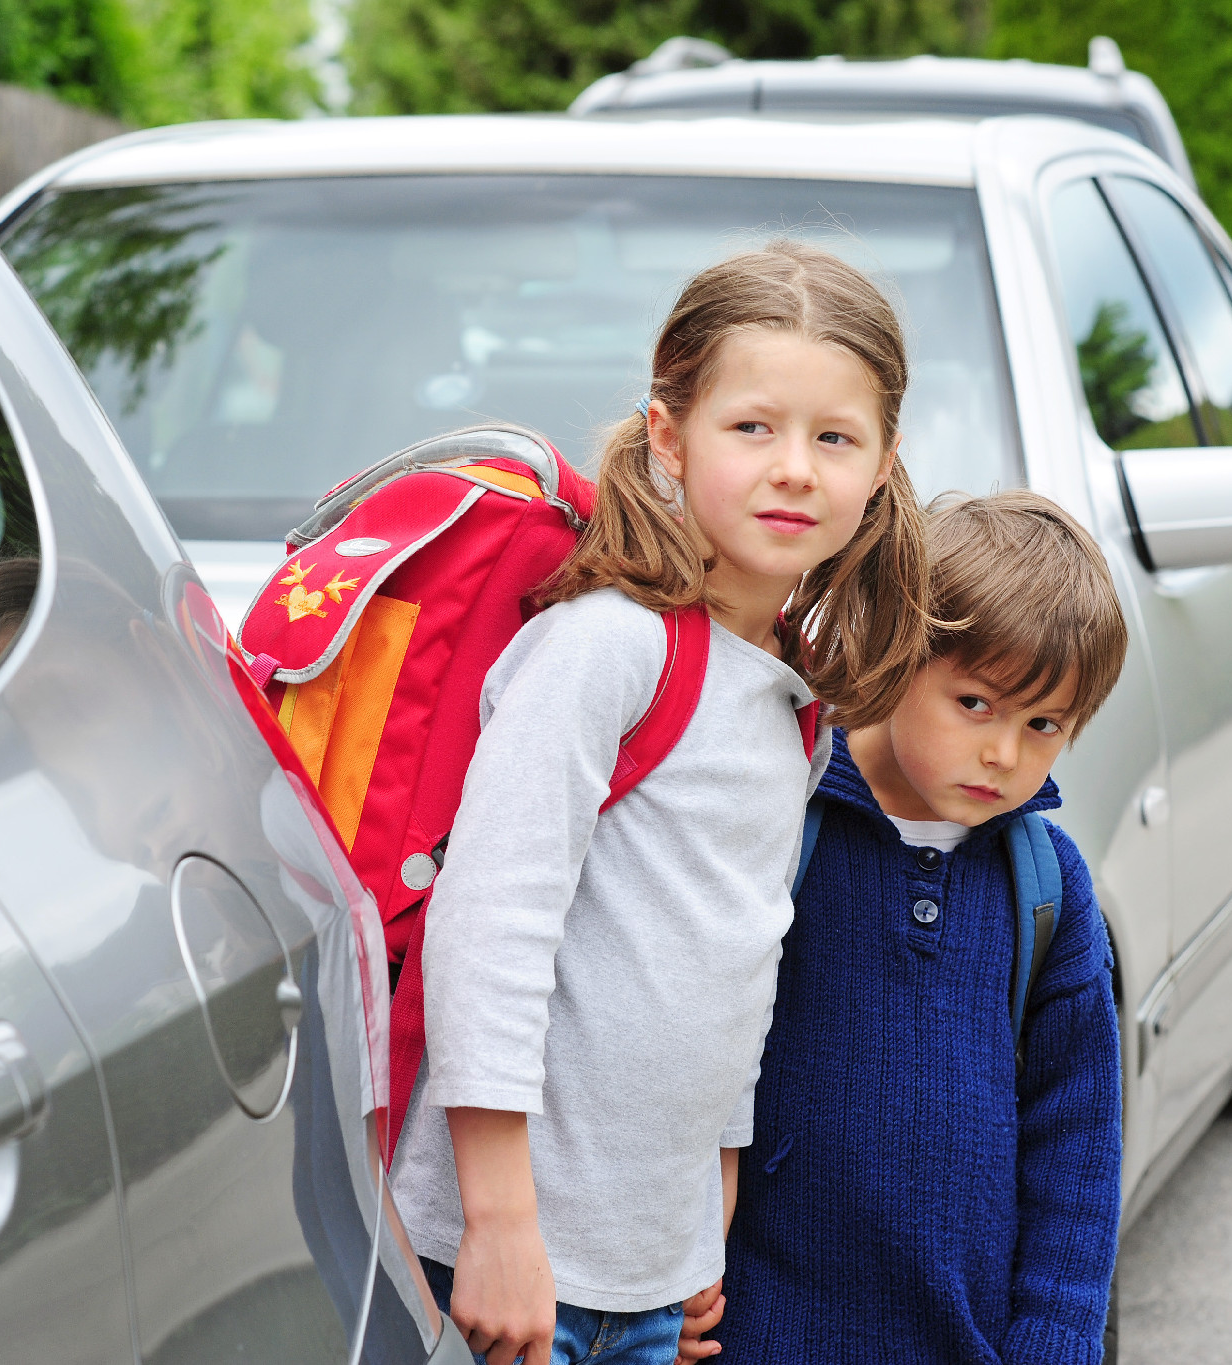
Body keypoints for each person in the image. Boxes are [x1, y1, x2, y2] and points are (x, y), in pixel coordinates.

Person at [389, 240, 933, 1365]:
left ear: (880, 467)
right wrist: (496, 1227)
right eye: (752, 428)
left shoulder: (790, 694)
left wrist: (700, 1229)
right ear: (667, 437)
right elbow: (489, 931)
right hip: (499, 1263)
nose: (794, 468)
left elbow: (727, 967)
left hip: (650, 1280)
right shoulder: (606, 649)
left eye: (834, 437)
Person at [701, 488, 1128, 1365]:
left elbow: (1077, 1147)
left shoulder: (1048, 889)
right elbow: (689, 1052)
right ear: (899, 653)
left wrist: (1055, 1338)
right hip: (763, 1330)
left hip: (965, 1341)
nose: (1005, 752)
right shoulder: (783, 819)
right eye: (975, 703)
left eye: (1043, 723)